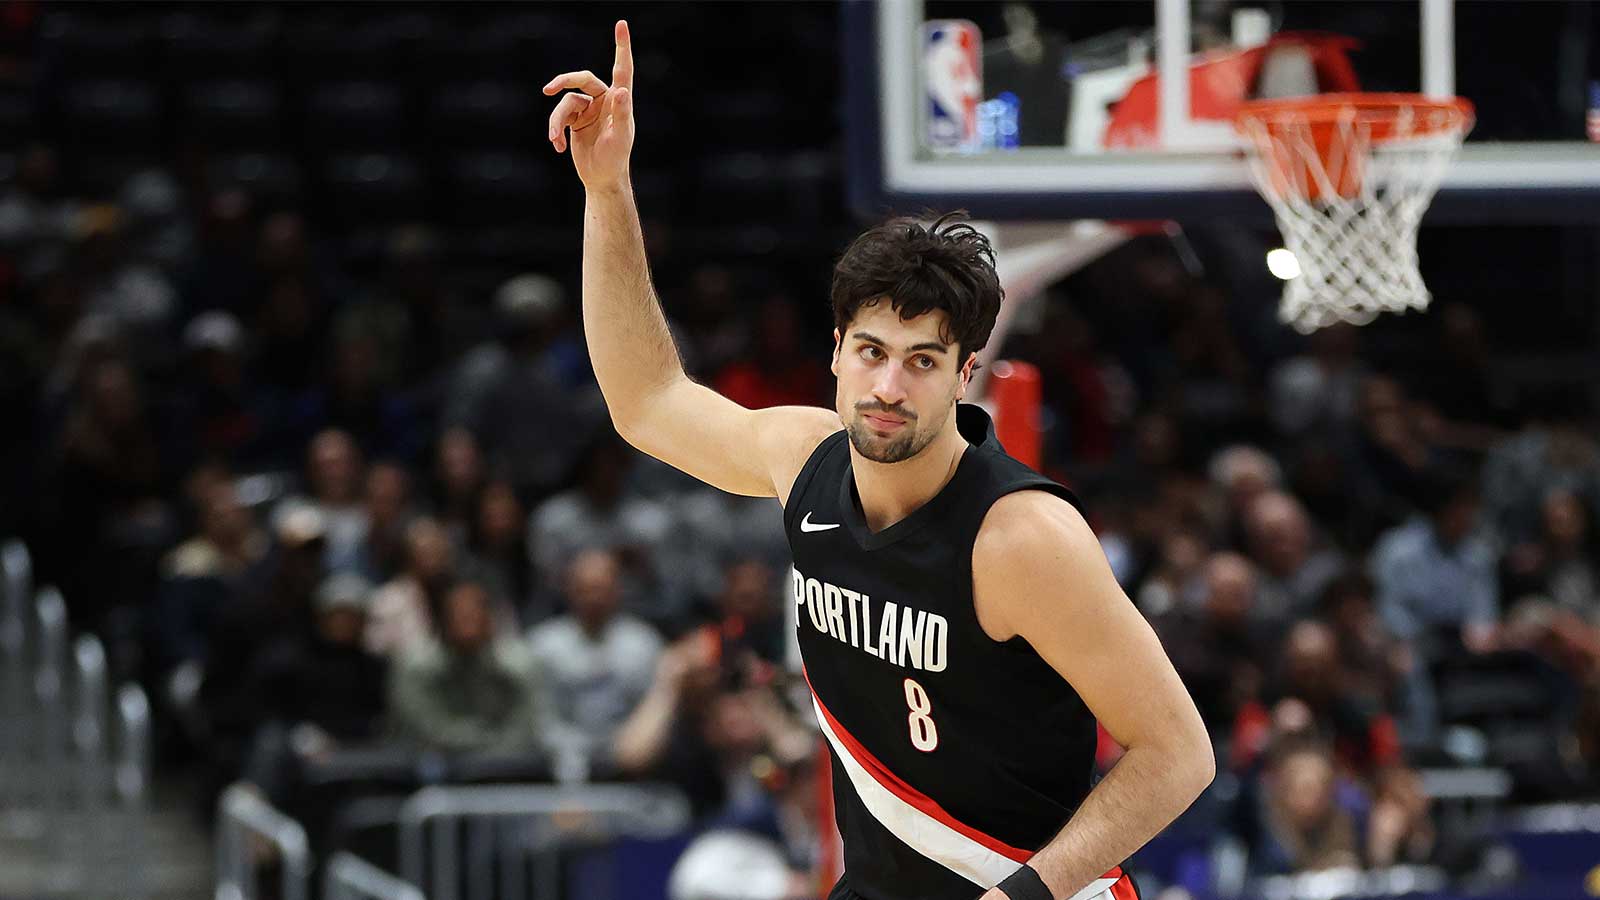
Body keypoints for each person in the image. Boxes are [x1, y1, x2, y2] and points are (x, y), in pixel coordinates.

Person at [544, 22, 1213, 900]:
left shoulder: (1020, 540)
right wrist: (607, 190)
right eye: (871, 351)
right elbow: (646, 403)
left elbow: (1178, 753)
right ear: (835, 352)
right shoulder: (803, 458)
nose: (889, 384)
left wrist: (1021, 895)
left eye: (923, 361)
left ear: (965, 376)